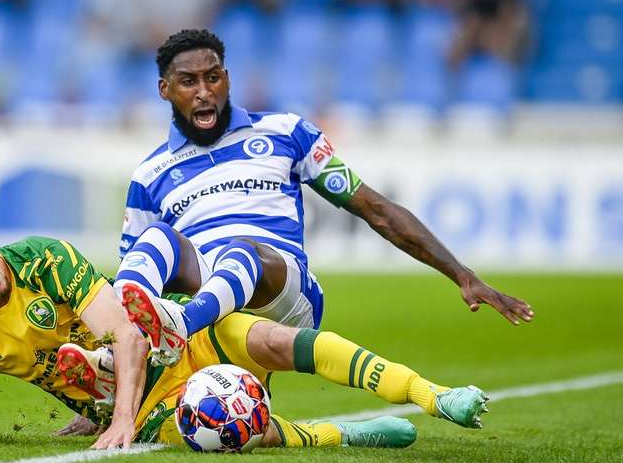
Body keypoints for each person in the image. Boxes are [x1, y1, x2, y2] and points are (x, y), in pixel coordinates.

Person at [0, 210, 490, 450]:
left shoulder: (41, 257)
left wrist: (118, 422)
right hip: (158, 401)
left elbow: (128, 336)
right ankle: (344, 436)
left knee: (269, 339)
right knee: (231, 432)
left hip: (161, 345)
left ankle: (434, 394)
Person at [115, 29, 534, 366]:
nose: (205, 91)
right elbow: (136, 275)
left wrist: (462, 275)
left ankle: (178, 329)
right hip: (210, 292)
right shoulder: (149, 175)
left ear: (228, 79)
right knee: (152, 244)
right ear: (165, 90)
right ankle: (112, 365)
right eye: (189, 81)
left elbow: (376, 209)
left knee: (240, 251)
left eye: (214, 76)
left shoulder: (285, 133)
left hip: (281, 289)